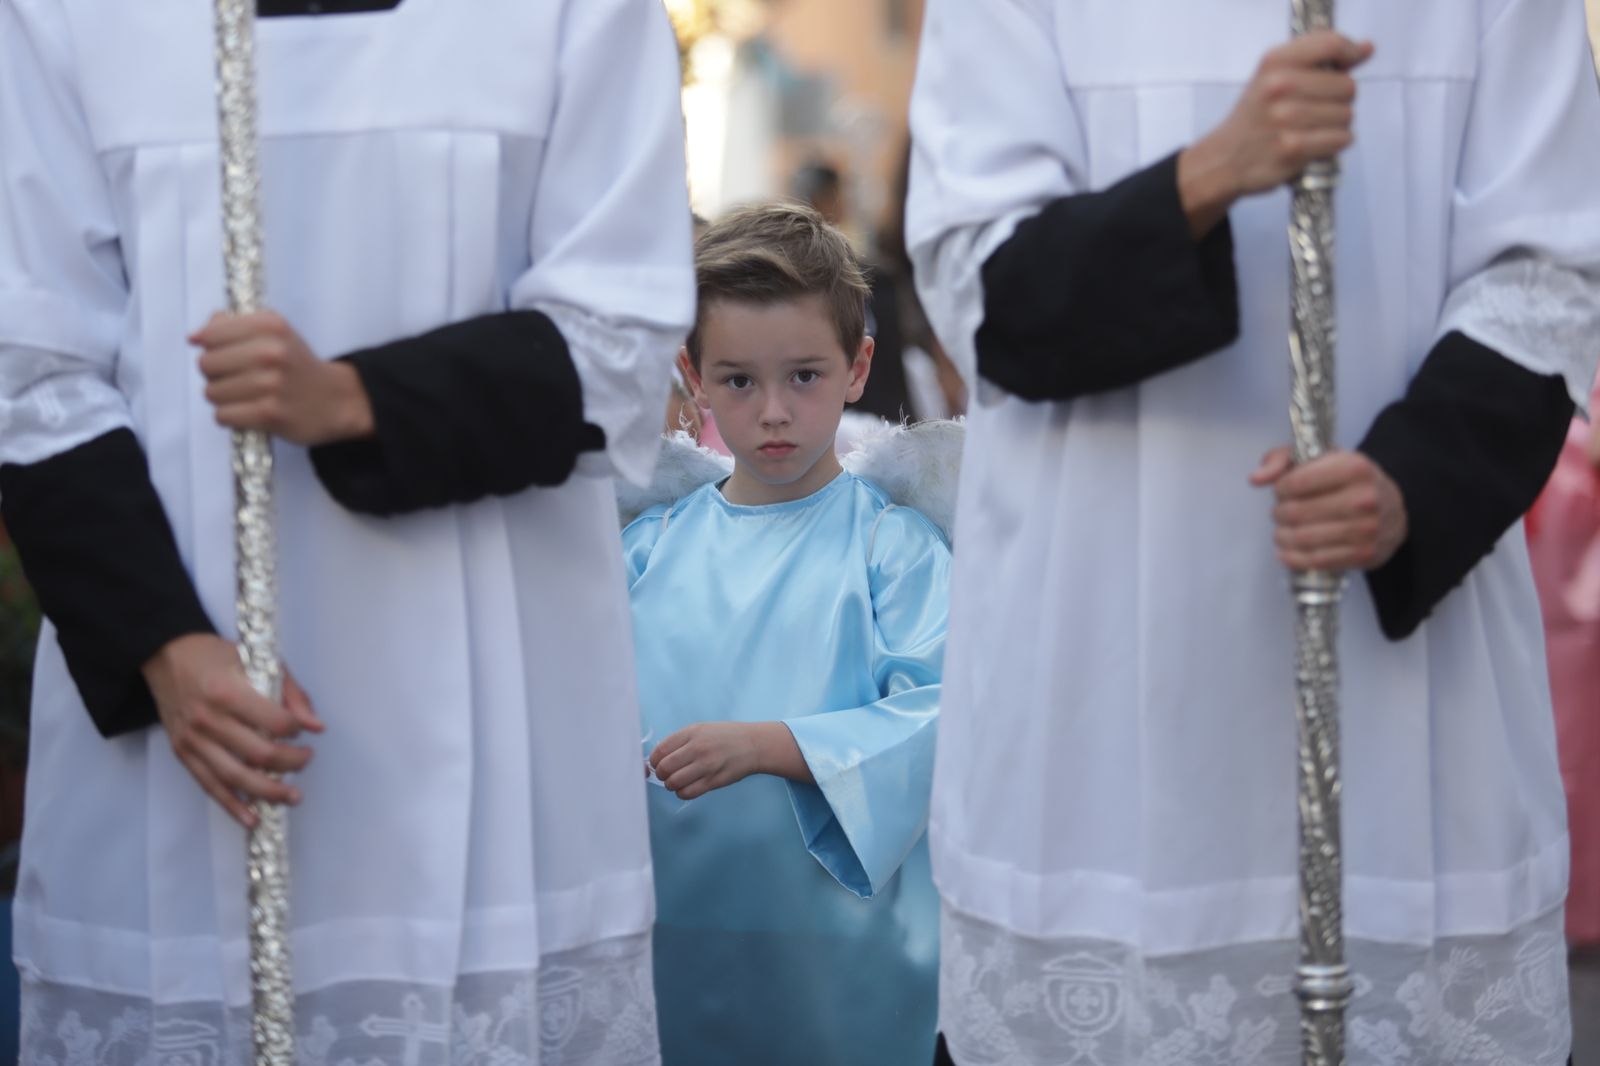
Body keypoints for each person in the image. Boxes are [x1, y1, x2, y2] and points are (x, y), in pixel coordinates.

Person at [907, 1, 1600, 1063]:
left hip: (1406, 691)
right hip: (1103, 683)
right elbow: (982, 294)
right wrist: (1210, 171)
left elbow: (1549, 267)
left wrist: (1413, 479)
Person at [0, 1, 693, 1062]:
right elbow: (33, 363)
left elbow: (619, 336)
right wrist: (164, 648)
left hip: (496, 692)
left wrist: (355, 401)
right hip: (185, 710)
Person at [624, 203, 948, 1066]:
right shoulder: (647, 549)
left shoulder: (894, 550)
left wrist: (776, 745)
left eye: (804, 376)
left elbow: (949, 717)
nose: (772, 413)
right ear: (694, 376)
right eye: (738, 381)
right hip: (674, 934)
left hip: (839, 952)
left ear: (857, 367)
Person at [1529, 385, 1600, 949]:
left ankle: (1580, 911)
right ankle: (1574, 909)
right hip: (1558, 590)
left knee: (1574, 756)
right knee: (1567, 755)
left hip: (1574, 597)